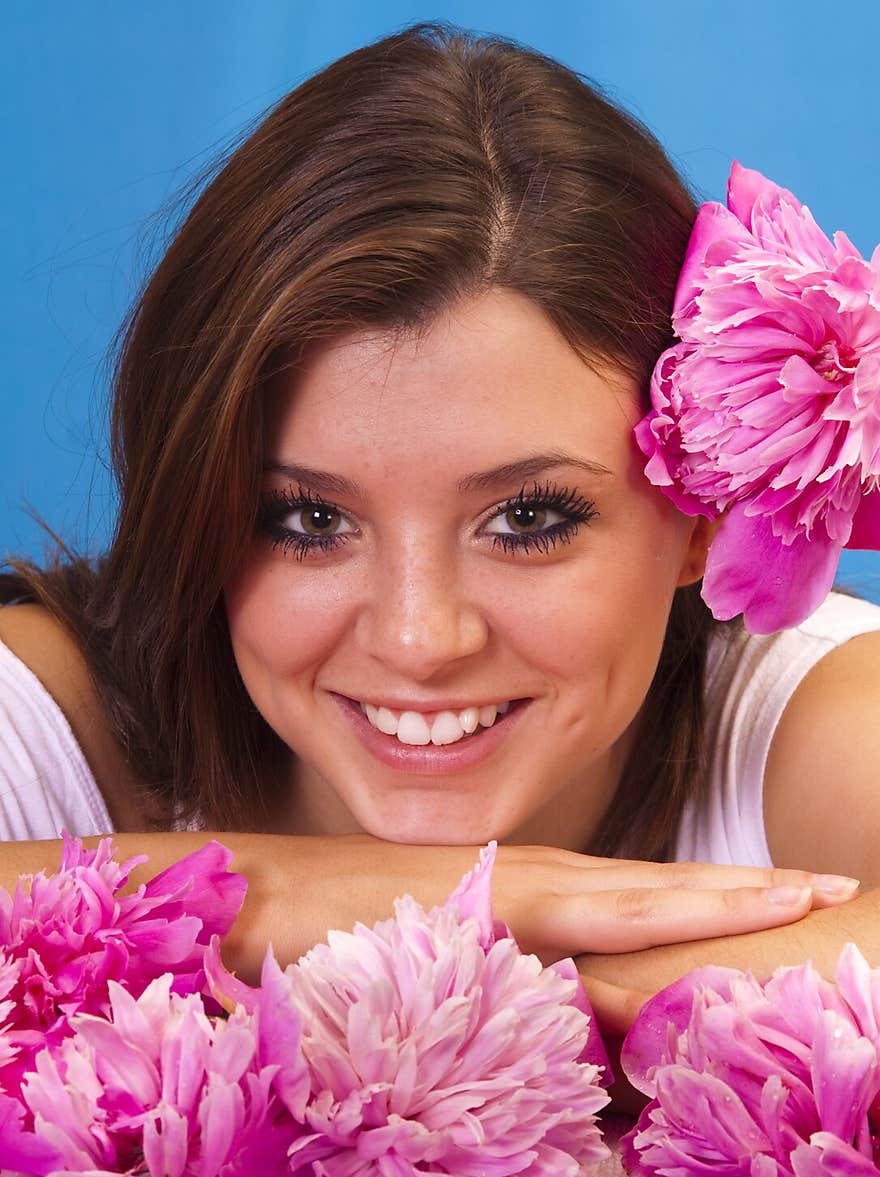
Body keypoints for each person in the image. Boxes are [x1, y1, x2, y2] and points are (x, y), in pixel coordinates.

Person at [1, 21, 878, 1084]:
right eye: (309, 521)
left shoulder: (799, 708)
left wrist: (477, 958)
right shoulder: (50, 716)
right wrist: (281, 896)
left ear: (701, 514)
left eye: (527, 519)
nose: (420, 638)